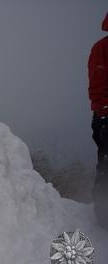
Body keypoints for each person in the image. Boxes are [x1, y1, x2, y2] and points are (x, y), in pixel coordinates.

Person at [88, 13, 108, 228]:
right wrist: (104, 113)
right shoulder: (102, 49)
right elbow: (97, 83)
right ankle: (104, 216)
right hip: (106, 117)